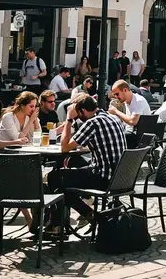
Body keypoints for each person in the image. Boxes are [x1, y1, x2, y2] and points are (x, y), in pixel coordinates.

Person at [53, 93, 127, 229]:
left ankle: (88, 216)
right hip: (120, 177)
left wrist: (69, 119)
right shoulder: (113, 118)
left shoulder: (93, 123)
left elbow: (64, 147)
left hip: (103, 178)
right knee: (70, 168)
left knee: (55, 178)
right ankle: (68, 220)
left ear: (83, 110)